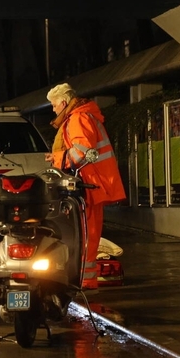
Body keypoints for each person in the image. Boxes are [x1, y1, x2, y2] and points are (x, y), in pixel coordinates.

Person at [45, 83, 126, 290]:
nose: (53, 110)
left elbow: (80, 152)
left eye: (54, 106)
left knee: (85, 235)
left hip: (89, 184)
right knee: (88, 234)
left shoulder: (78, 118)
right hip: (92, 183)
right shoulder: (84, 115)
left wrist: (57, 159)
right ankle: (85, 279)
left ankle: (84, 280)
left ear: (63, 103)